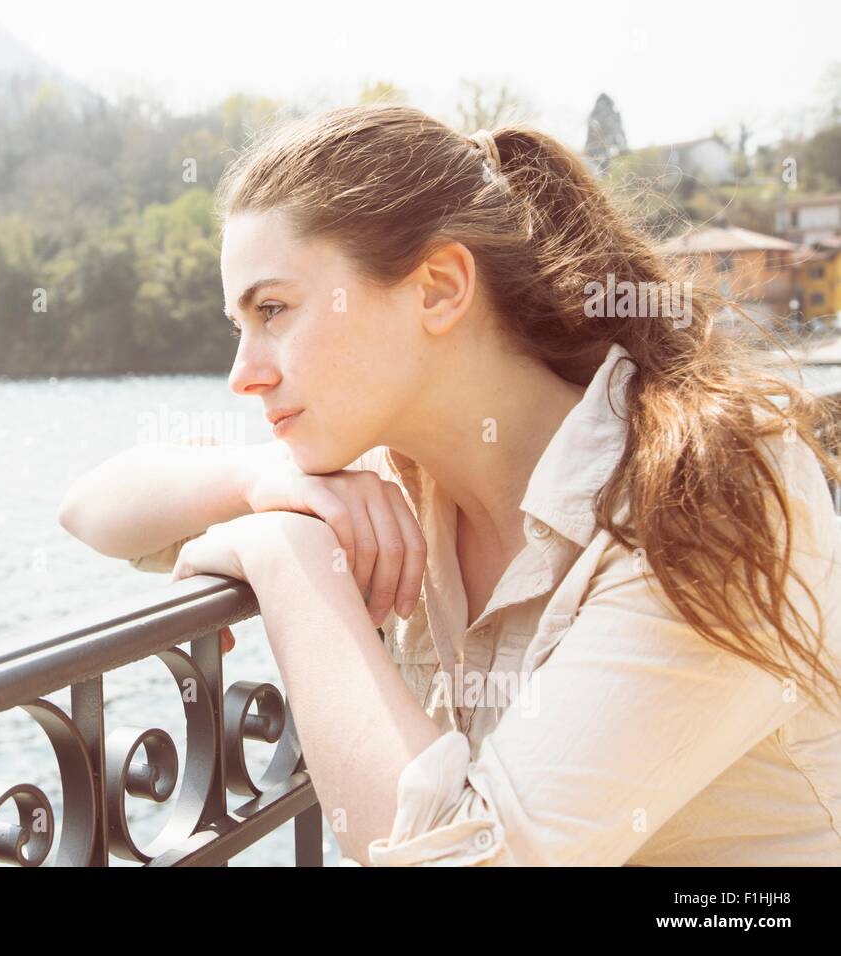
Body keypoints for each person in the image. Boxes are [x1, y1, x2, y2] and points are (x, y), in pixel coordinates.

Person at [56, 104, 841, 866]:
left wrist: (292, 559)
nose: (244, 374)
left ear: (438, 288)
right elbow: (91, 508)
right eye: (240, 326)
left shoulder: (708, 488)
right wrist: (257, 479)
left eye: (274, 310)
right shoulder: (382, 472)